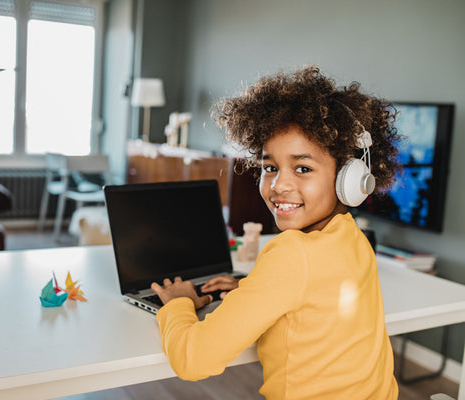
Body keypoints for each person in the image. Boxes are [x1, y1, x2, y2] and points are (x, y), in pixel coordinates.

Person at [150, 65, 401, 399]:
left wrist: (179, 304)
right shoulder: (352, 236)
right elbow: (315, 292)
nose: (279, 184)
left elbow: (193, 360)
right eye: (270, 167)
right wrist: (249, 287)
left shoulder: (293, 254)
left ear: (349, 178)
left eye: (303, 168)